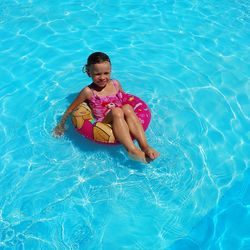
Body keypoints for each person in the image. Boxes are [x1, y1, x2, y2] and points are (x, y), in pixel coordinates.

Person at [53, 52, 159, 163]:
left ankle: (145, 146)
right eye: (97, 74)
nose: (102, 77)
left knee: (127, 107)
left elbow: (125, 98)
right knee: (117, 111)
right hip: (104, 121)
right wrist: (60, 125)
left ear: (111, 70)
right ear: (89, 73)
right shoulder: (88, 92)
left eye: (106, 73)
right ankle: (131, 150)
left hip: (120, 116)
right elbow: (71, 109)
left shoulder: (115, 84)